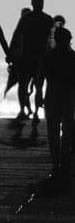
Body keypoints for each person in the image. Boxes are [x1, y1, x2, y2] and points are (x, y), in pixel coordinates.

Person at [36, 27, 75, 193]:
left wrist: (38, 95)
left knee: (54, 131)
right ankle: (63, 161)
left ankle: (56, 163)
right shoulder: (72, 56)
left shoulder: (48, 56)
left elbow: (40, 78)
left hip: (53, 95)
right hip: (67, 97)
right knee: (66, 130)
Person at [9, 0, 53, 123]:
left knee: (23, 86)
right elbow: (51, 40)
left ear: (32, 3)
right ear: (41, 3)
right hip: (41, 58)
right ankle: (35, 113)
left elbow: (16, 34)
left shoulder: (26, 18)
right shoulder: (47, 19)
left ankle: (23, 110)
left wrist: (10, 53)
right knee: (38, 86)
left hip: (27, 57)